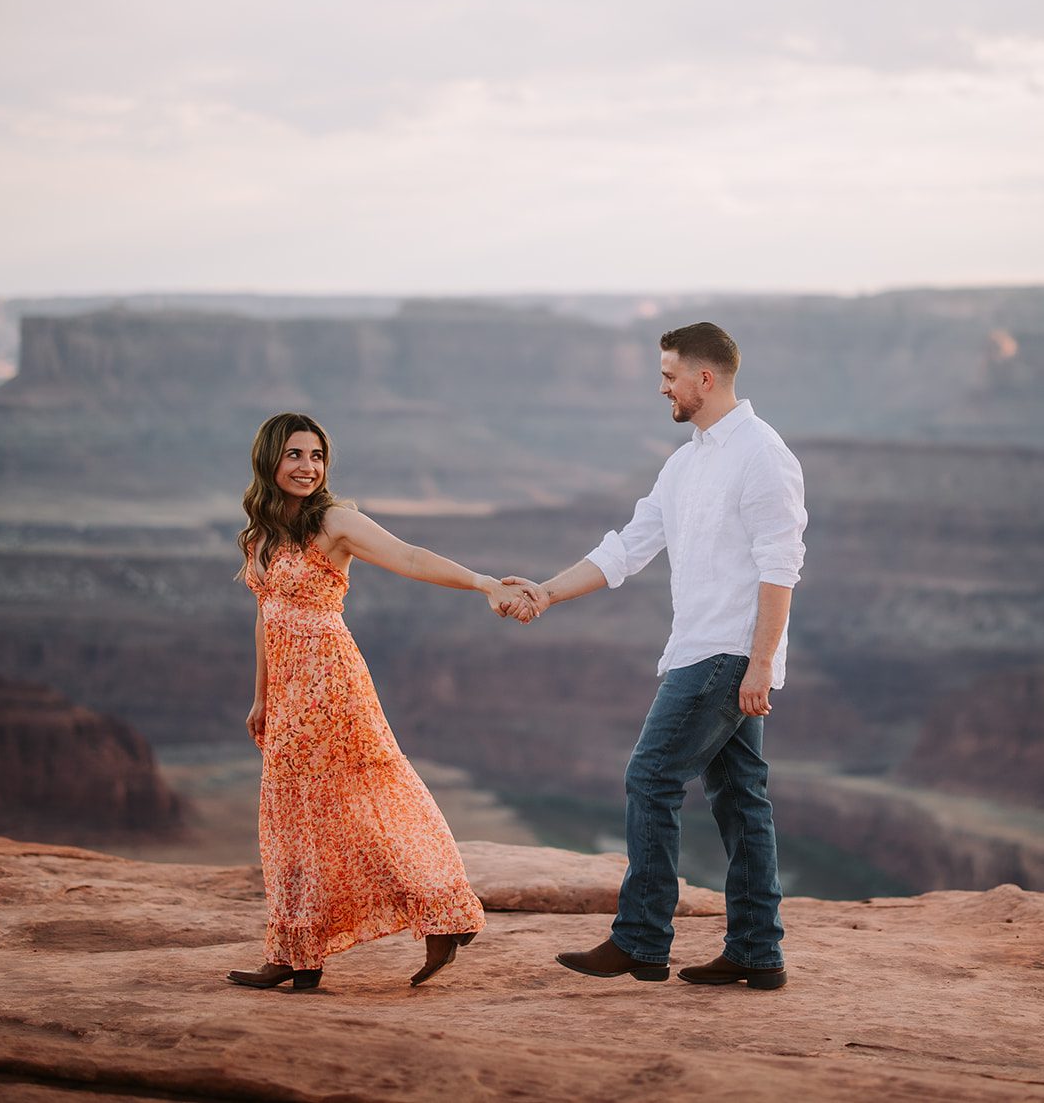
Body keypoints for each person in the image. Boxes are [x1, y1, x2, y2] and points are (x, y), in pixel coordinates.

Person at [504, 321, 806, 990]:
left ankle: (642, 938)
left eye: (670, 375)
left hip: (725, 653)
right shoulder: (687, 461)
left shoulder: (762, 453)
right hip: (699, 649)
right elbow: (628, 548)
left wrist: (761, 663)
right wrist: (547, 592)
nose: (661, 387)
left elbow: (781, 565)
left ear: (706, 378)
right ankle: (757, 949)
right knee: (740, 796)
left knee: (650, 776)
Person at [225, 412, 520, 991]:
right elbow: (266, 614)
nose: (308, 467)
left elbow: (409, 557)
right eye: (294, 455)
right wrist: (261, 696)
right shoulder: (261, 532)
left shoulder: (335, 521)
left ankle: (444, 915)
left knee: (366, 799)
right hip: (286, 693)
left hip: (332, 683)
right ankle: (297, 950)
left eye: (316, 456)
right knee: (290, 816)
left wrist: (486, 583)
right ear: (269, 461)